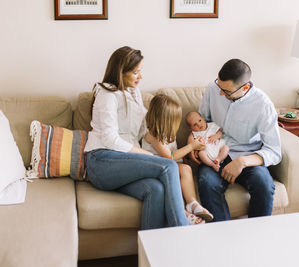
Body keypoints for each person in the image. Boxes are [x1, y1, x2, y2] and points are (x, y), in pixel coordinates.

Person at [84, 46, 188, 230]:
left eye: (141, 71)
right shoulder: (106, 94)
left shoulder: (135, 93)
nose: (140, 77)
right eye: (135, 72)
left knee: (155, 190)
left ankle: (151, 252)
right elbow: (109, 139)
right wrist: (148, 156)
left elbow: (142, 131)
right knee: (169, 165)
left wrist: (161, 139)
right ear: (120, 72)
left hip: (124, 165)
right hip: (101, 160)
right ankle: (182, 232)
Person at [189, 59, 282, 222]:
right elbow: (204, 122)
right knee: (207, 183)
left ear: (245, 87)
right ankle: (223, 236)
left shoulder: (263, 105)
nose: (220, 93)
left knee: (264, 185)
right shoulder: (213, 89)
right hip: (214, 153)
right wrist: (194, 146)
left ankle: (256, 235)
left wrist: (242, 162)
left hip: (247, 156)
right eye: (219, 86)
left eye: (226, 91)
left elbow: (274, 151)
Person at [142, 94, 214, 223]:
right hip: (155, 170)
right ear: (165, 120)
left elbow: (175, 154)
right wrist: (192, 146)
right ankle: (184, 213)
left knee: (185, 169)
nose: (177, 123)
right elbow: (169, 156)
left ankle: (192, 203)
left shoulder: (169, 134)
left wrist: (186, 157)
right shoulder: (153, 135)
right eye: (175, 120)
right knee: (175, 177)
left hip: (170, 167)